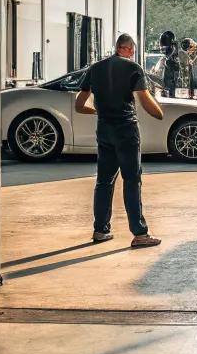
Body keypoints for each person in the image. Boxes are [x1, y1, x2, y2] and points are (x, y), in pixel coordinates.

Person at [76, 34, 164, 248]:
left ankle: (100, 230)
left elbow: (80, 104)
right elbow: (144, 99)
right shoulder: (132, 68)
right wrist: (160, 113)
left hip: (104, 129)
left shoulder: (95, 69)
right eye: (132, 50)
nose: (132, 54)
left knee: (104, 180)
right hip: (126, 129)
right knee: (132, 179)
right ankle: (140, 233)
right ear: (126, 48)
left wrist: (98, 110)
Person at [159, 31, 180, 99]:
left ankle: (170, 93)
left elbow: (175, 53)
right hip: (170, 63)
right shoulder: (169, 51)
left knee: (171, 79)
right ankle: (168, 92)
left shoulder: (173, 49)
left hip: (172, 64)